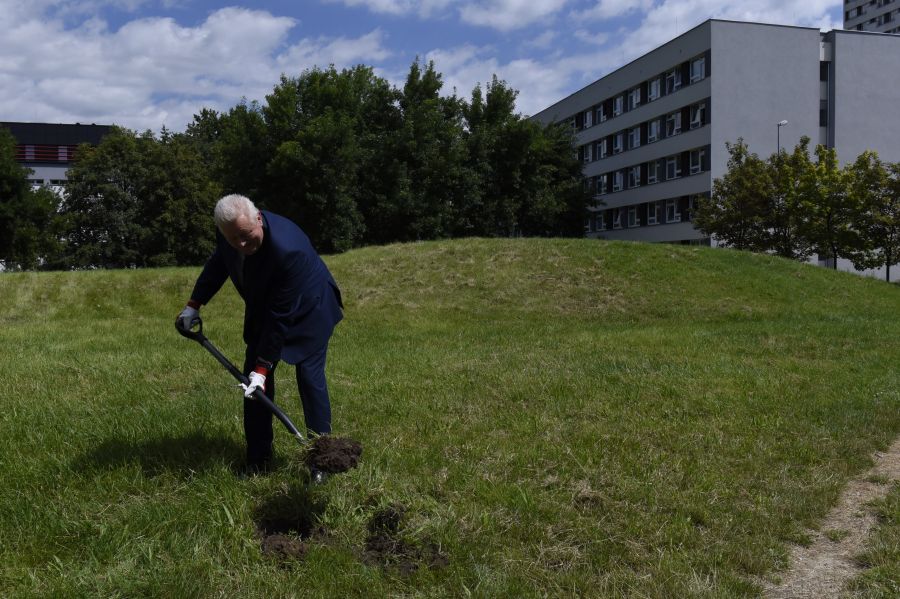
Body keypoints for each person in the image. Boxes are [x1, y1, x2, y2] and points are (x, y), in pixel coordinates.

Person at [176, 194, 343, 480]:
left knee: (309, 377)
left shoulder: (287, 250)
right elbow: (220, 263)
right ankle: (258, 459)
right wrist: (194, 305)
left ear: (258, 218)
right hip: (267, 307)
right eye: (233, 239)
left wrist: (263, 369)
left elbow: (279, 319)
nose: (241, 244)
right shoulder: (230, 230)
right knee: (252, 388)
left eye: (245, 236)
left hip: (310, 307)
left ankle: (322, 460)